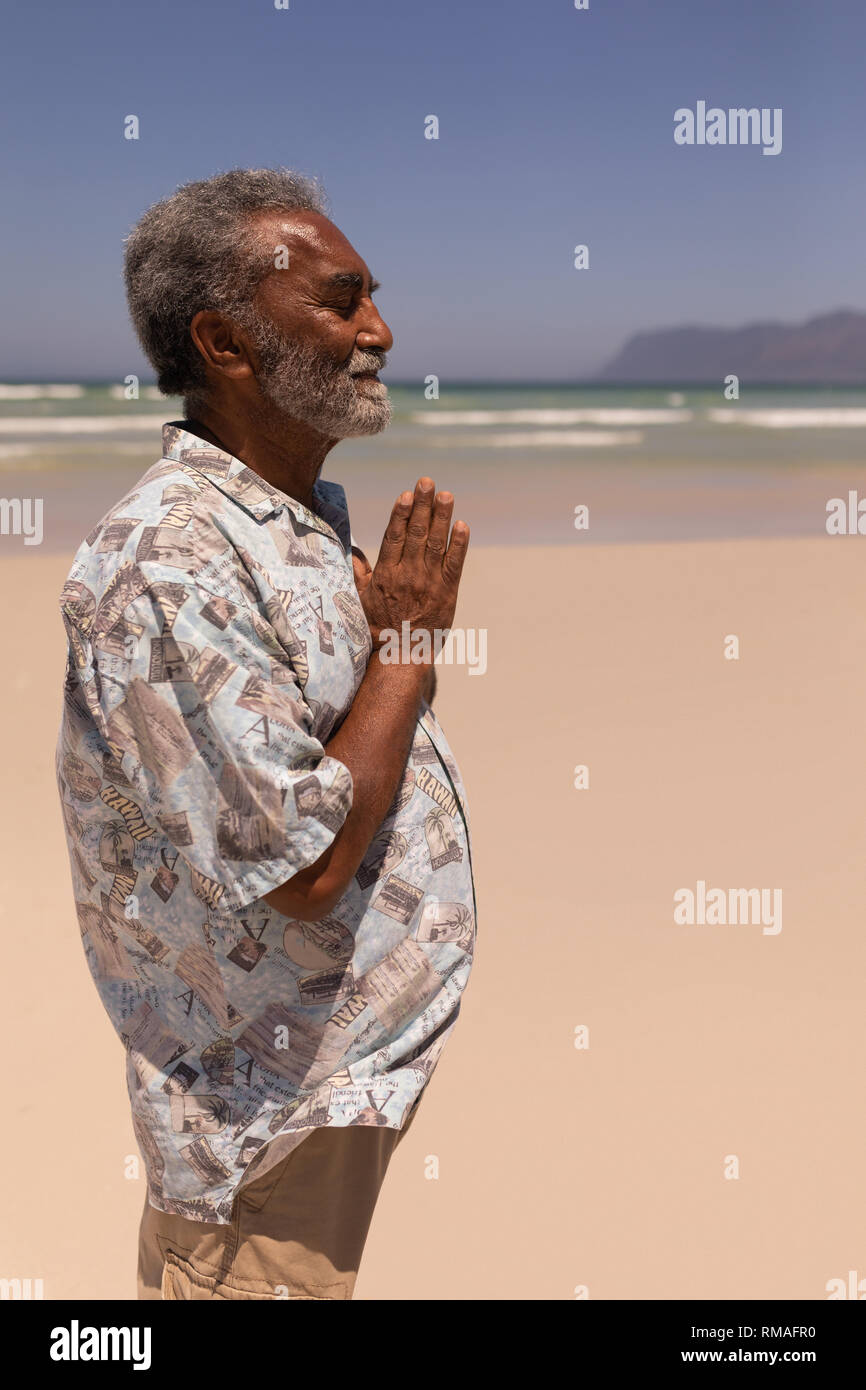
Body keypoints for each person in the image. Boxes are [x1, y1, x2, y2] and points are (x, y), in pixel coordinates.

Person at [55, 168, 477, 1300]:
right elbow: (305, 861)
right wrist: (409, 643)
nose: (379, 331)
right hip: (258, 1133)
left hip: (320, 1097)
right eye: (339, 303)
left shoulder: (292, 520)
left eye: (372, 297)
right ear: (226, 344)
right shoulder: (171, 559)